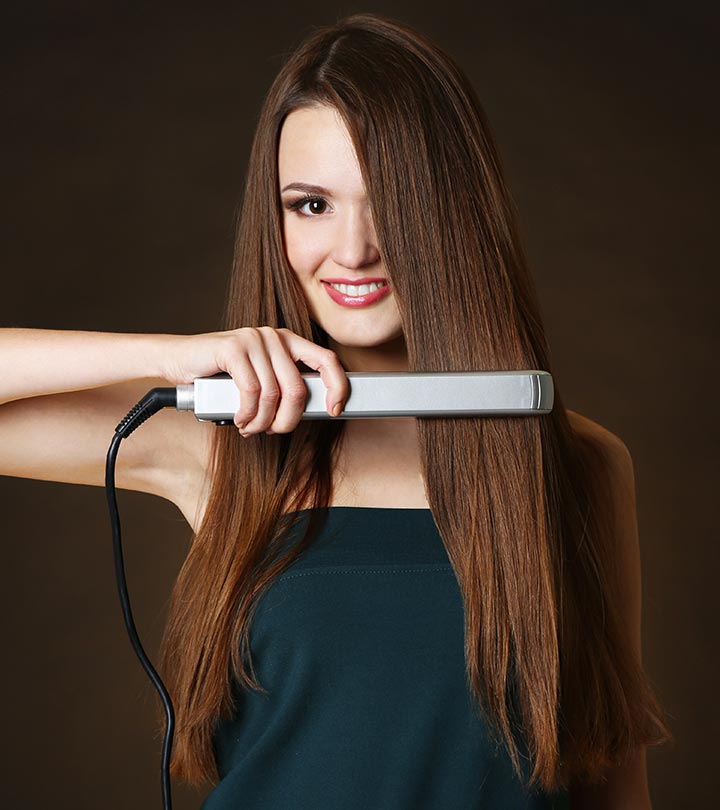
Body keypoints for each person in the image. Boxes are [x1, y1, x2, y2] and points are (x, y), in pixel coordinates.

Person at [0, 12, 672, 809]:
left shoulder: (579, 465)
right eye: (311, 205)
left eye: (390, 199)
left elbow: (613, 778)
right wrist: (168, 357)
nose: (353, 250)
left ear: (452, 210)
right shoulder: (217, 440)